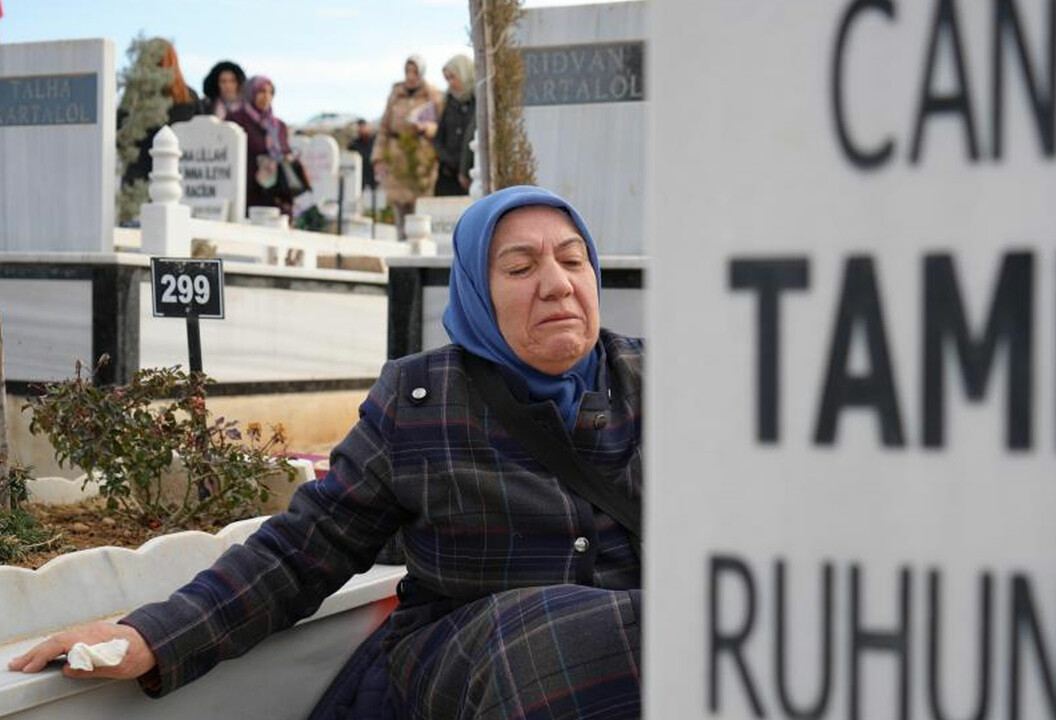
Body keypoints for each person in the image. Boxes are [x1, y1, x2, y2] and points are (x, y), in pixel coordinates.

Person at [8, 186, 644, 720]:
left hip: (634, 655)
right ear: (477, 289)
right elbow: (303, 549)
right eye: (521, 267)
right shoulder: (422, 399)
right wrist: (151, 633)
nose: (558, 285)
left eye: (573, 260)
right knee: (556, 640)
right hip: (476, 651)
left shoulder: (656, 378)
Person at [372, 55, 444, 238]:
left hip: (421, 156)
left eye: (414, 72)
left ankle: (420, 243)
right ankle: (401, 239)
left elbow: (442, 127)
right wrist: (378, 157)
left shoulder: (432, 94)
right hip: (397, 156)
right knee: (399, 204)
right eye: (407, 72)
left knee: (420, 205)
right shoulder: (396, 95)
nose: (410, 76)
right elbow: (384, 128)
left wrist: (426, 128)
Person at [119, 39, 203, 188]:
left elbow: (121, 133)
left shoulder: (135, 97)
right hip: (180, 179)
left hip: (140, 180)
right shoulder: (189, 98)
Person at [227, 75, 310, 222]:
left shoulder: (278, 126)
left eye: (270, 92)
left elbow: (284, 152)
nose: (266, 96)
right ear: (250, 93)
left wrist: (286, 158)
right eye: (261, 91)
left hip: (277, 195)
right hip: (249, 193)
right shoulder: (236, 119)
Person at [434, 54, 476, 197]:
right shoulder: (448, 102)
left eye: (453, 77)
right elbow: (438, 138)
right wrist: (447, 159)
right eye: (447, 79)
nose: (450, 83)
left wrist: (464, 168)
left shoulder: (478, 102)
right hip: (447, 175)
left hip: (470, 175)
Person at [348, 118, 376, 191]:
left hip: (374, 177)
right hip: (361, 179)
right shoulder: (354, 144)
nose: (361, 129)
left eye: (363, 126)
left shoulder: (375, 141)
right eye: (359, 127)